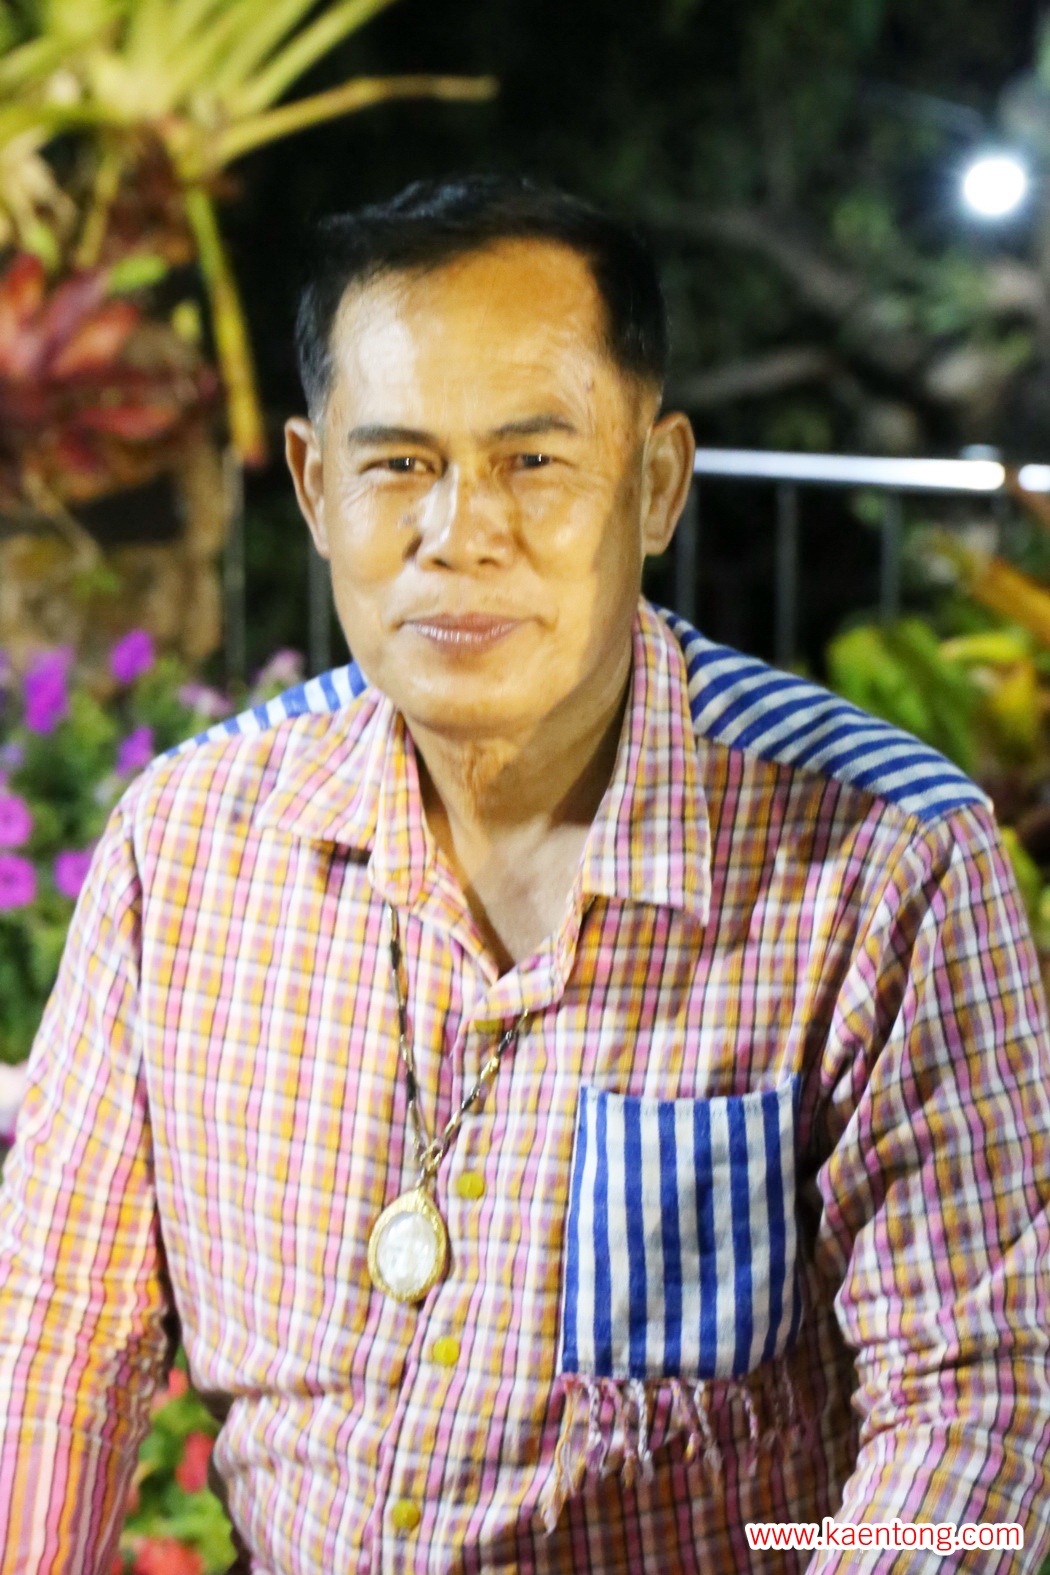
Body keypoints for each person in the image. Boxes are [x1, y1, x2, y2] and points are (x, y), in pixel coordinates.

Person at [0, 174, 1048, 1575]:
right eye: (398, 465)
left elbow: (971, 1417)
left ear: (655, 483)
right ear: (312, 488)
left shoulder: (882, 863)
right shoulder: (182, 846)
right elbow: (56, 1336)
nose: (461, 530)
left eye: (533, 460)